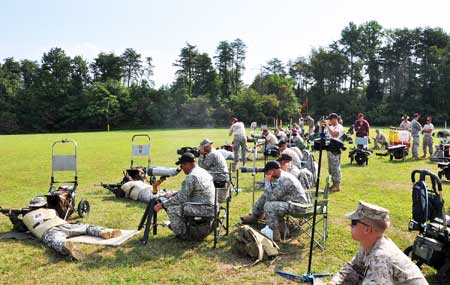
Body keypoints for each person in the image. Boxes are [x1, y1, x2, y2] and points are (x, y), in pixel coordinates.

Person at [326, 201, 427, 285]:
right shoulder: (368, 244)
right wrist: (335, 282)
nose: (350, 225)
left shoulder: (380, 258)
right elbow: (355, 268)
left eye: (354, 222)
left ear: (367, 229)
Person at [20, 197, 121, 260]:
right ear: (44, 205)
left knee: (56, 241)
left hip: (47, 231)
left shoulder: (26, 217)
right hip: (62, 224)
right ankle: (103, 232)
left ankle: (65, 246)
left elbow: (20, 228)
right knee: (85, 227)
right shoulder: (50, 210)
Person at [240, 161, 309, 241]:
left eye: (268, 173)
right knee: (264, 196)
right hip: (290, 203)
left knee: (269, 205)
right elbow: (270, 194)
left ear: (273, 170)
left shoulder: (284, 179)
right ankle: (255, 216)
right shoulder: (282, 175)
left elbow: (271, 197)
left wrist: (267, 182)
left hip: (298, 207)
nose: (266, 175)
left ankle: (274, 233)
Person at [154, 152, 215, 240]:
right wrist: (174, 194)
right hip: (211, 206)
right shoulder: (202, 171)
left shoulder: (192, 176)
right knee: (177, 203)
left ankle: (183, 234)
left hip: (203, 208)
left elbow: (181, 198)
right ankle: (185, 227)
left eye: (182, 166)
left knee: (172, 209)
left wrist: (161, 205)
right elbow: (190, 191)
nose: (182, 169)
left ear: (187, 164)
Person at [325, 113, 344, 192]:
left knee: (336, 168)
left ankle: (337, 185)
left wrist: (328, 126)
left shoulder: (339, 127)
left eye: (330, 120)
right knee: (331, 168)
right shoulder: (331, 127)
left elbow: (334, 135)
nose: (330, 121)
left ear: (335, 119)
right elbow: (323, 134)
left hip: (335, 150)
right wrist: (321, 126)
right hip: (330, 148)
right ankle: (334, 184)